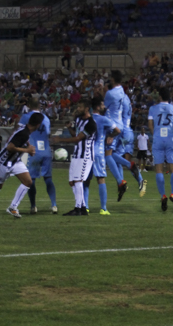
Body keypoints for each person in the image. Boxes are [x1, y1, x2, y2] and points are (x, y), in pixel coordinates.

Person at [0, 112, 43, 218]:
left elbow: (18, 129)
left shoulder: (25, 129)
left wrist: (29, 147)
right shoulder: (24, 133)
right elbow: (10, 147)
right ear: (38, 125)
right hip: (3, 161)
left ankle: (13, 207)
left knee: (28, 182)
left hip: (15, 161)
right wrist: (27, 150)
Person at [53, 99, 98, 216]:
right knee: (72, 181)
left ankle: (77, 208)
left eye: (80, 107)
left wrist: (60, 139)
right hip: (77, 154)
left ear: (87, 108)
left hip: (86, 156)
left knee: (78, 180)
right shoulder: (78, 119)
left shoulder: (91, 124)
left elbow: (78, 138)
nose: (78, 109)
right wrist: (69, 128)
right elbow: (76, 135)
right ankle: (82, 207)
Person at [19, 99, 57, 215]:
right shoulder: (45, 118)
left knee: (31, 180)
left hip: (33, 151)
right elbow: (47, 133)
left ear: (29, 105)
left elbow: (20, 132)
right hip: (46, 150)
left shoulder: (26, 117)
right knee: (48, 179)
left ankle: (33, 206)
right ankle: (54, 205)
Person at [148, 87, 173, 211]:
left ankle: (163, 196)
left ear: (160, 97)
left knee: (159, 169)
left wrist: (155, 134)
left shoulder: (153, 108)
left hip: (158, 138)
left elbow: (150, 124)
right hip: (170, 138)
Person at [90, 95, 121, 215]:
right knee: (101, 179)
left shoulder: (88, 118)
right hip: (98, 151)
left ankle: (85, 207)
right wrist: (110, 136)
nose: (104, 107)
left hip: (87, 151)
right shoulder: (103, 119)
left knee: (86, 180)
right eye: (102, 105)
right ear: (98, 107)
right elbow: (118, 130)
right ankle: (103, 208)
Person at [104, 70, 130, 200]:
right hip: (120, 124)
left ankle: (121, 181)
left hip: (112, 125)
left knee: (107, 154)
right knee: (113, 154)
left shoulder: (110, 93)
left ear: (113, 79)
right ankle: (128, 166)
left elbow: (103, 108)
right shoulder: (122, 91)